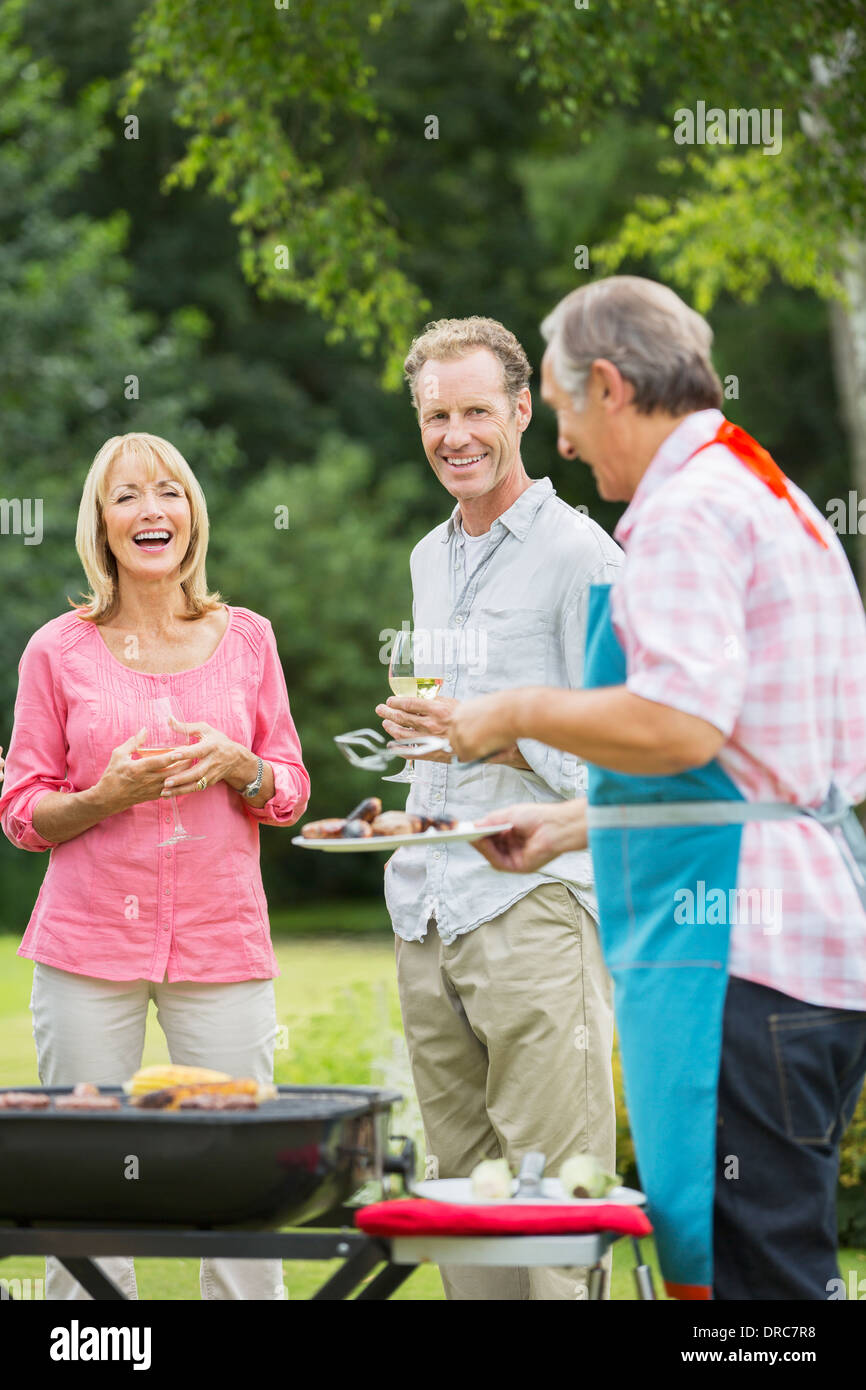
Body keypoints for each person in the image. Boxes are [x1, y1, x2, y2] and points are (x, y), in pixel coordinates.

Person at [449, 276, 866, 1300]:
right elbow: (760, 765)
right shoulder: (765, 494)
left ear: (607, 384)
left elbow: (681, 722)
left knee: (748, 1290)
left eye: (558, 409)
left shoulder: (684, 513)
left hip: (734, 960)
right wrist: (569, 824)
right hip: (808, 941)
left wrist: (514, 711)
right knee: (770, 1272)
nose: (563, 443)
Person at [0, 431, 310, 1301]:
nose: (152, 510)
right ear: (101, 524)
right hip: (85, 945)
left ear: (192, 517)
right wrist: (106, 794)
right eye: (128, 495)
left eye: (169, 492)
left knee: (243, 1176)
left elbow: (288, 788)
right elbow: (23, 812)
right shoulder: (55, 650)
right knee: (85, 1178)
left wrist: (238, 765)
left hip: (221, 942)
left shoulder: (247, 639)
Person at [375, 316, 623, 1301]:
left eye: (476, 410)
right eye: (436, 416)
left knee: (554, 1217)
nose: (455, 436)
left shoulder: (584, 557)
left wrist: (493, 732)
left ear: (522, 410)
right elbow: (450, 726)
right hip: (426, 912)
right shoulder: (425, 559)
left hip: (534, 908)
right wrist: (418, 728)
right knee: (461, 1217)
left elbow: (623, 757)